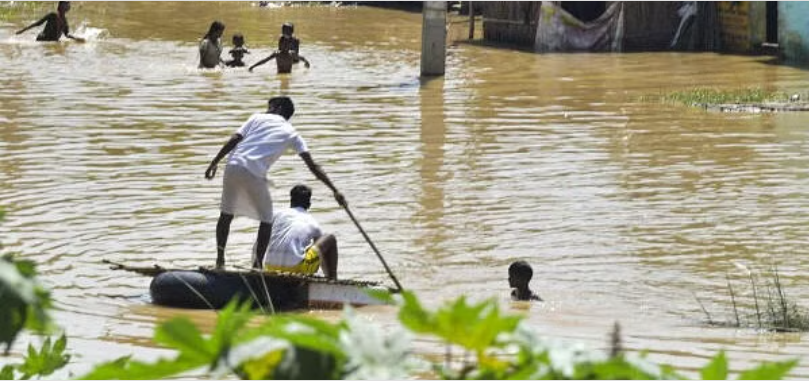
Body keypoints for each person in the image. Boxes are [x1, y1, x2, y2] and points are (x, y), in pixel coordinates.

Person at [204, 96, 345, 269]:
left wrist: (214, 162)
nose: (266, 110)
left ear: (278, 108)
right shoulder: (292, 133)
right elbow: (313, 166)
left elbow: (235, 139)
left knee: (226, 215)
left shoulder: (256, 118)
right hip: (253, 170)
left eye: (269, 107)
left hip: (232, 166)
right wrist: (334, 190)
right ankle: (257, 266)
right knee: (267, 220)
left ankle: (220, 261)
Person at [261, 185, 339, 279]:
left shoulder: (276, 214)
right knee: (330, 238)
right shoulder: (312, 222)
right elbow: (321, 254)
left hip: (270, 267)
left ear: (291, 201)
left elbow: (261, 239)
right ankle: (332, 279)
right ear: (309, 204)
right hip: (297, 269)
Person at [15, 1, 84, 42]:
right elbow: (38, 23)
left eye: (68, 4)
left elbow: (67, 35)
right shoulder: (52, 15)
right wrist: (22, 30)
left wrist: (76, 39)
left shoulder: (65, 21)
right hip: (42, 39)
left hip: (52, 41)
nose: (69, 6)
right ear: (60, 6)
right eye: (67, 4)